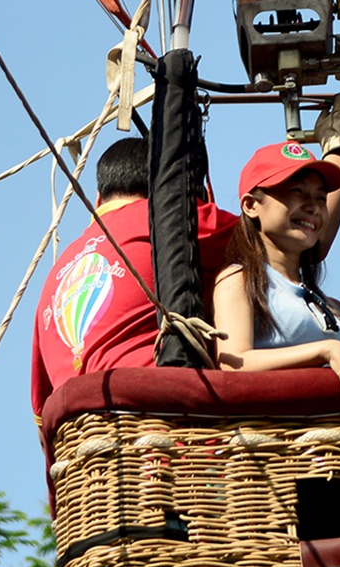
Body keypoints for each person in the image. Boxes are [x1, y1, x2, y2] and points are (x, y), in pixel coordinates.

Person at [30, 136, 240, 428]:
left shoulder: (55, 276)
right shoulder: (168, 221)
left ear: (99, 198)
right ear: (167, 189)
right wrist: (329, 151)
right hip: (162, 430)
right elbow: (273, 235)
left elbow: (42, 413)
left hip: (86, 454)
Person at [211, 134, 340, 412]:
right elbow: (233, 363)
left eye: (321, 198)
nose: (313, 206)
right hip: (273, 447)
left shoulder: (335, 308)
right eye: (296, 192)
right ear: (251, 205)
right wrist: (327, 349)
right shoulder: (239, 280)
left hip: (335, 449)